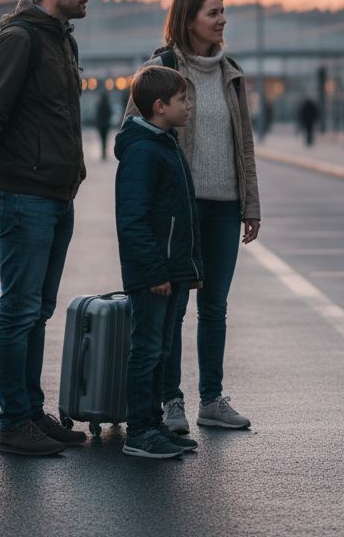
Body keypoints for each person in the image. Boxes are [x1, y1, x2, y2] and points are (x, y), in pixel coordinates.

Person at [0, 0, 93, 456]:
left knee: (38, 310)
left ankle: (32, 413)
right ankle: (13, 423)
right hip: (24, 196)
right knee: (19, 311)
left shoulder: (61, 39)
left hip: (57, 194)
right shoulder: (19, 39)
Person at [124, 0, 261, 434]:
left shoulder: (231, 73)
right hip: (177, 211)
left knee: (215, 307)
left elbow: (244, 143)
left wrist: (251, 203)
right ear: (188, 20)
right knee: (173, 309)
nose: (222, 20)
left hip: (225, 206)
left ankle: (212, 400)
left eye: (223, 11)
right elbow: (132, 134)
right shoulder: (160, 69)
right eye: (213, 13)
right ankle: (171, 401)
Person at [115, 65, 203, 459]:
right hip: (153, 274)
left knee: (162, 350)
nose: (188, 106)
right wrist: (154, 271)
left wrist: (190, 269)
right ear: (159, 106)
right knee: (147, 349)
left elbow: (182, 215)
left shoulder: (166, 144)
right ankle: (139, 431)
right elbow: (132, 221)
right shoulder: (142, 152)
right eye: (182, 99)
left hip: (171, 270)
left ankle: (154, 425)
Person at [93, 90, 113, 162]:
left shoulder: (99, 105)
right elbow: (110, 114)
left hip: (101, 125)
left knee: (102, 140)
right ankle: (104, 154)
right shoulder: (107, 105)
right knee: (105, 140)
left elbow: (97, 116)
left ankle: (103, 154)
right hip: (106, 125)